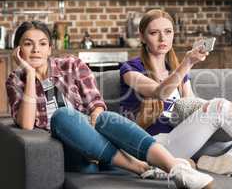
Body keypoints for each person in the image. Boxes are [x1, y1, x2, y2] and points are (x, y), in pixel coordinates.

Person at [5, 20, 214, 189]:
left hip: (94, 143)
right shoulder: (15, 80)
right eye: (28, 43)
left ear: (50, 48)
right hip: (69, 147)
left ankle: (175, 168)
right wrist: (31, 75)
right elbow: (25, 125)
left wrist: (96, 114)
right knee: (62, 116)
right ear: (18, 50)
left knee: (105, 117)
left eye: (42, 43)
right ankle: (141, 167)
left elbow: (95, 102)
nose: (35, 50)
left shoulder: (71, 64)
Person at [120, 9, 232, 176]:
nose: (162, 38)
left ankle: (231, 159)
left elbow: (190, 107)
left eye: (167, 31)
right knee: (220, 107)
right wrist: (187, 63)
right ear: (142, 37)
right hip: (158, 145)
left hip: (188, 140)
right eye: (154, 32)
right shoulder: (130, 69)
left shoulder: (176, 69)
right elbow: (160, 92)